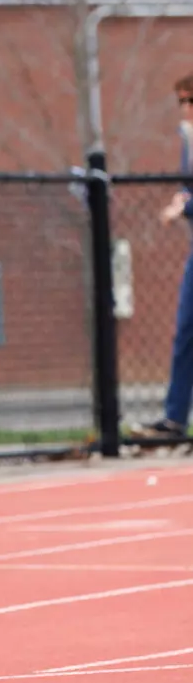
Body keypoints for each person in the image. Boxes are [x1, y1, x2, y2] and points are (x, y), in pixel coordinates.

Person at [135, 72, 193, 440]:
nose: (185, 110)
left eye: (190, 101)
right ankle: (174, 418)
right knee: (186, 331)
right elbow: (187, 186)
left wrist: (185, 208)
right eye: (182, 102)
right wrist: (181, 200)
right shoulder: (188, 141)